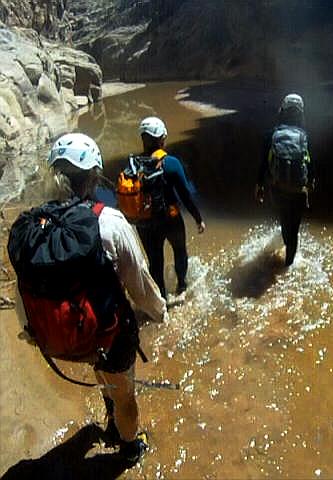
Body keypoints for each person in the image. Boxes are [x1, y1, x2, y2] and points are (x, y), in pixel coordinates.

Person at [12, 133, 168, 466]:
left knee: (99, 365)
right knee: (125, 394)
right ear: (95, 176)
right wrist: (159, 311)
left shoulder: (33, 226)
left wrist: (31, 332)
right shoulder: (108, 222)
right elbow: (139, 280)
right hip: (107, 334)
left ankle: (111, 418)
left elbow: (22, 290)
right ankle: (129, 447)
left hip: (59, 337)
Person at [135, 116, 205, 300]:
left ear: (143, 139)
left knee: (155, 262)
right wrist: (198, 219)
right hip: (170, 219)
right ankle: (181, 288)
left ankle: (161, 301)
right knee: (180, 251)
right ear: (162, 139)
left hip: (144, 224)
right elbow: (186, 196)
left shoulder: (134, 166)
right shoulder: (172, 163)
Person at [255, 93, 315, 266]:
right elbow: (310, 164)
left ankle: (286, 241)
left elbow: (263, 164)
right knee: (294, 230)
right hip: (298, 192)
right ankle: (288, 265)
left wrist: (259, 185)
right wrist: (310, 183)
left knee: (284, 219)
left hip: (277, 189)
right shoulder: (304, 136)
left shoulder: (271, 135)